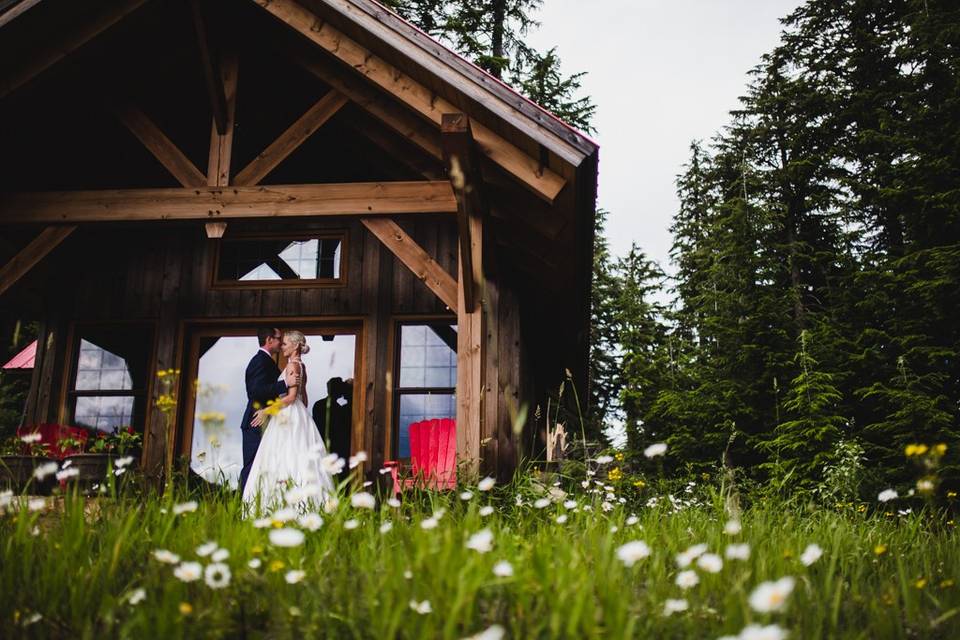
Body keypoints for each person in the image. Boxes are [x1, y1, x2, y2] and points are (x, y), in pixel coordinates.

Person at [241, 330, 335, 511]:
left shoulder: (292, 366)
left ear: (295, 346)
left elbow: (291, 397)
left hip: (287, 414)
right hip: (298, 415)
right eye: (281, 342)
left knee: (282, 458)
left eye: (285, 343)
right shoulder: (302, 367)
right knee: (297, 457)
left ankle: (279, 505)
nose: (282, 346)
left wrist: (267, 410)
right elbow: (304, 400)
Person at [238, 327, 294, 494]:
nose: (281, 342)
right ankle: (242, 507)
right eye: (279, 339)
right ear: (269, 340)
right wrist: (284, 384)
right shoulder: (259, 361)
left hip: (268, 420)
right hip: (256, 420)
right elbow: (256, 391)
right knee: (253, 466)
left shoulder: (268, 362)